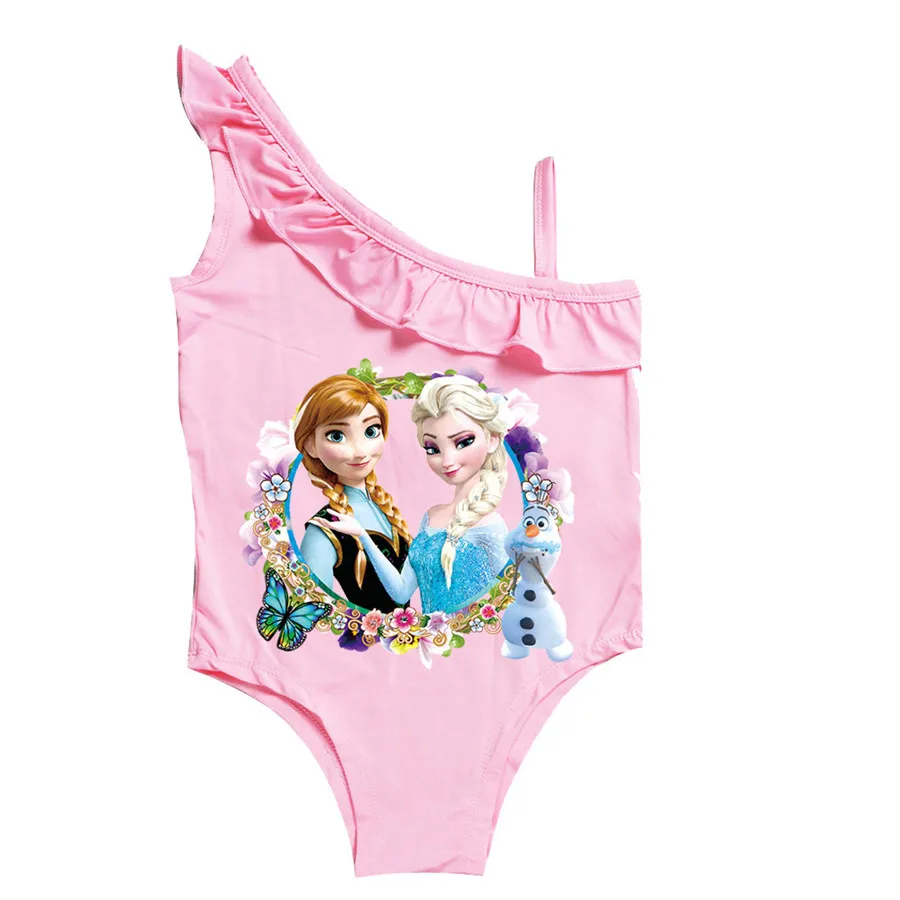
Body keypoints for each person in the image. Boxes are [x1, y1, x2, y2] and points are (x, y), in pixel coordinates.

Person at [312, 375, 513, 614]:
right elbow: (400, 592)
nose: (447, 461)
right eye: (433, 449)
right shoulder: (431, 517)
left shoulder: (491, 526)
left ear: (492, 440)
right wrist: (362, 535)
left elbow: (506, 600)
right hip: (430, 636)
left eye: (463, 442)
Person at [296, 374, 412, 614]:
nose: (360, 452)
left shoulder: (384, 507)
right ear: (311, 445)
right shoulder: (324, 528)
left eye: (371, 431)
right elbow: (315, 613)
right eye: (337, 436)